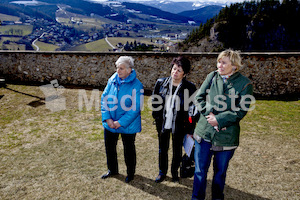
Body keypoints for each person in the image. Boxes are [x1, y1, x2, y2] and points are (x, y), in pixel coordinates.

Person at [191, 49, 254, 200]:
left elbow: (241, 110)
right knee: (200, 171)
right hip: (204, 132)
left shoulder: (245, 84)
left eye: (224, 62)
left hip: (226, 136)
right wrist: (208, 113)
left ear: (234, 66)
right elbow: (198, 98)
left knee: (220, 173)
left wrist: (220, 119)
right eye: (219, 61)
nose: (219, 64)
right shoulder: (212, 76)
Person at [152, 56, 197, 183]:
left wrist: (190, 128)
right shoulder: (161, 83)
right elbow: (155, 103)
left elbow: (192, 110)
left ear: (185, 73)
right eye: (174, 68)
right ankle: (162, 172)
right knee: (163, 149)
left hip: (180, 125)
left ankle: (174, 172)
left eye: (179, 70)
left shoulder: (190, 88)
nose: (174, 72)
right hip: (163, 123)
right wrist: (156, 117)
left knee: (177, 150)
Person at [100, 56, 143, 183]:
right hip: (110, 122)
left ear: (130, 69)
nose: (118, 71)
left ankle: (130, 173)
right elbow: (104, 99)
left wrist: (120, 122)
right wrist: (107, 119)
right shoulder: (112, 80)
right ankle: (112, 170)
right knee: (110, 148)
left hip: (127, 125)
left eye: (121, 68)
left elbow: (136, 108)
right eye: (117, 67)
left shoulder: (137, 85)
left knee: (128, 149)